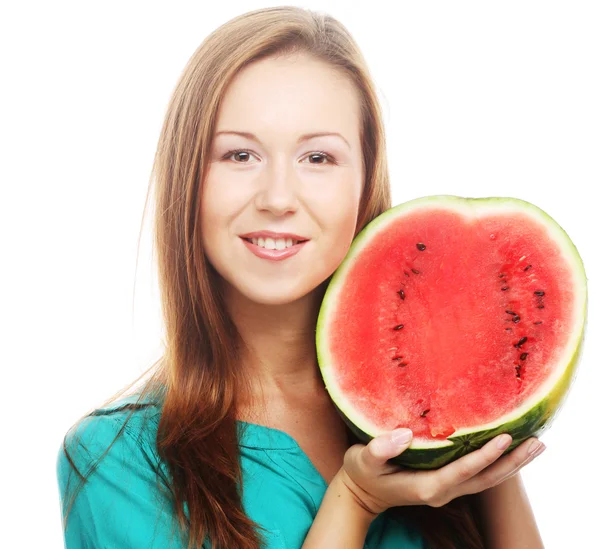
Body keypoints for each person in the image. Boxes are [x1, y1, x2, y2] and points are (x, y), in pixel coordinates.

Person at [56, 6, 545, 549]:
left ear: (365, 181)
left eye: (318, 157)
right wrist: (355, 501)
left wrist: (491, 424)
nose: (278, 199)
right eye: (240, 154)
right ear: (187, 176)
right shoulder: (112, 460)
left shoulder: (428, 413)